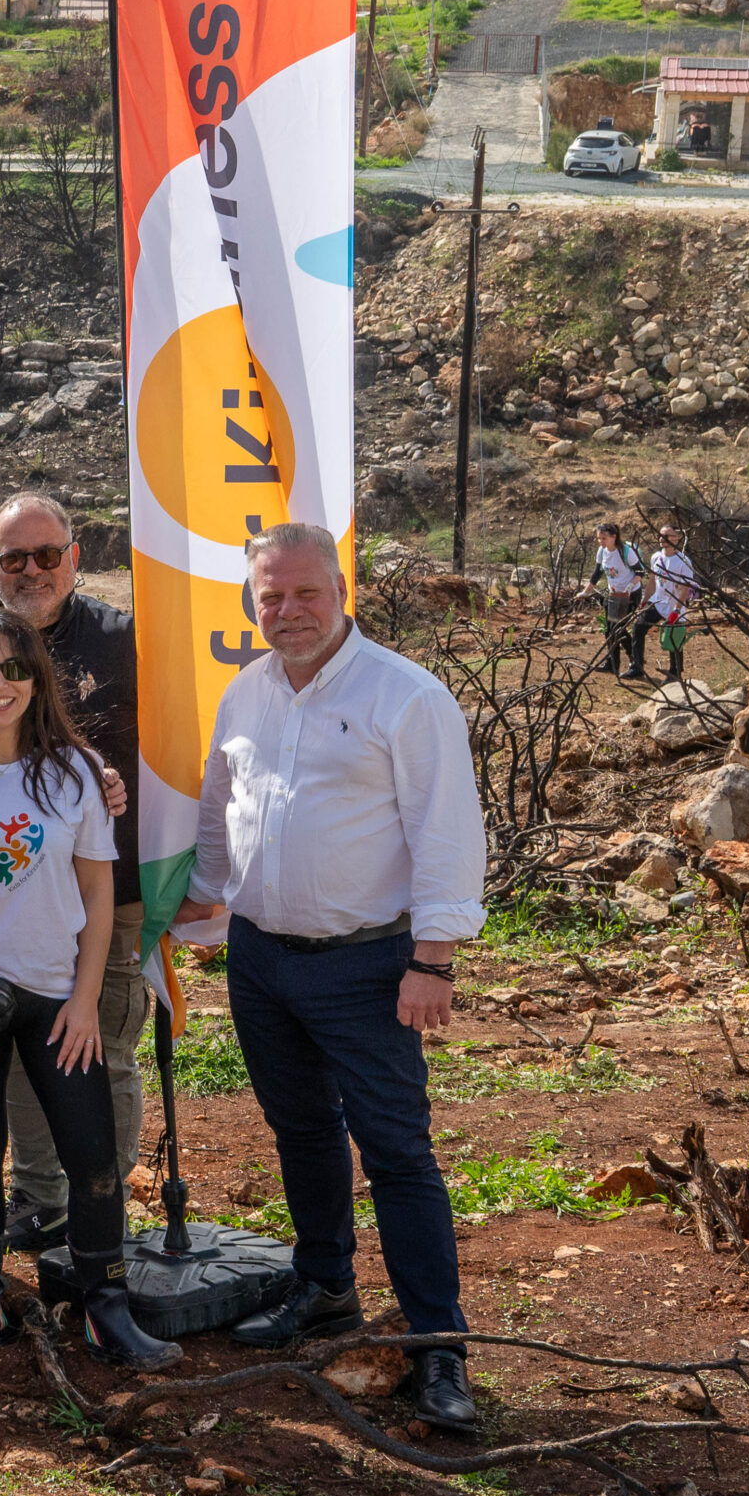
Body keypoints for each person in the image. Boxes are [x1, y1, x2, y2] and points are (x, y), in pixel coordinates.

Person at [174, 522, 488, 1433]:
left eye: (305, 592)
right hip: (261, 959)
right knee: (302, 1130)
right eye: (269, 596)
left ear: (340, 589)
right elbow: (219, 812)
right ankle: (324, 1287)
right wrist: (194, 908)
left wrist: (433, 960)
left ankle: (438, 1346)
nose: (288, 611)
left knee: (396, 1153)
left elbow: (446, 831)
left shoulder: (405, 695)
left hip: (369, 965)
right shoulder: (247, 691)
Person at [0, 608, 179, 1372]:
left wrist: (85, 1000)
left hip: (57, 999)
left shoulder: (77, 772)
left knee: (92, 1156)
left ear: (37, 680)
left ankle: (105, 1309)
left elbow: (97, 891)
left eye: (14, 669)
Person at [0, 494, 146, 1258]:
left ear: (74, 558)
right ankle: (39, 1196)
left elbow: (178, 750)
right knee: (24, 1047)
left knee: (102, 1043)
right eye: (14, 558)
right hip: (11, 888)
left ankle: (104, 1197)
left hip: (109, 886)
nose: (32, 570)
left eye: (47, 555)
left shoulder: (126, 641)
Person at [589, 522, 650, 680]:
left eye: (604, 538)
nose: (601, 541)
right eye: (599, 538)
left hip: (630, 595)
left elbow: (640, 571)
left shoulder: (626, 551)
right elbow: (597, 572)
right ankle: (612, 664)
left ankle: (636, 662)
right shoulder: (602, 551)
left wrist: (630, 586)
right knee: (609, 630)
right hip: (614, 594)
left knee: (618, 629)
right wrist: (586, 590)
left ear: (614, 537)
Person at [642, 523, 698, 685]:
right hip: (658, 602)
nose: (662, 539)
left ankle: (675, 673)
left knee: (674, 640)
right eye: (660, 535)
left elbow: (686, 588)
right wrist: (645, 600)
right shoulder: (656, 557)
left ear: (676, 538)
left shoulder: (683, 561)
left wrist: (677, 610)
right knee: (639, 628)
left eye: (666, 536)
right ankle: (636, 667)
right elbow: (652, 580)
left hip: (675, 605)